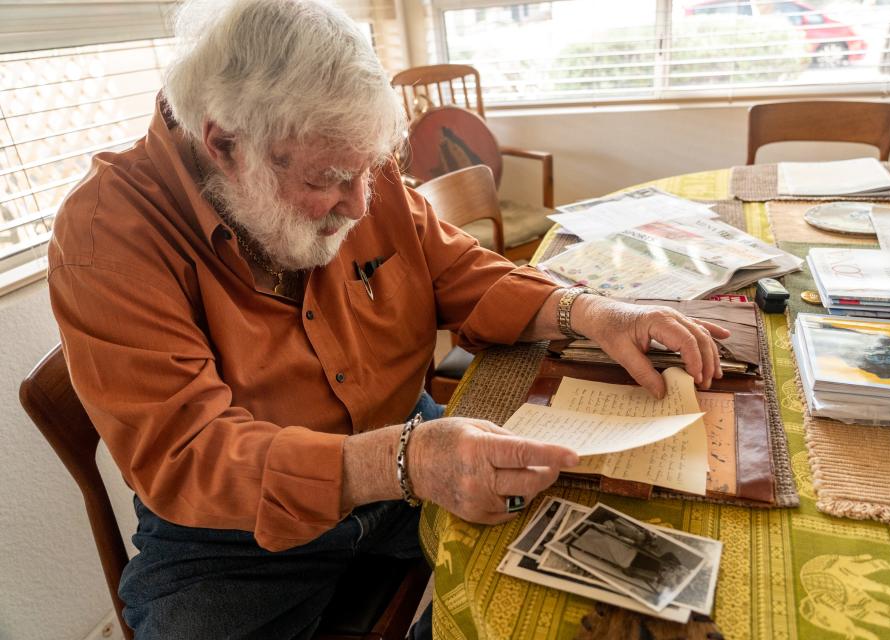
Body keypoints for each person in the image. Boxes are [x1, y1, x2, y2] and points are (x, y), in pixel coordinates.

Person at [47, 0, 729, 637]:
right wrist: (401, 463)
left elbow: (456, 269)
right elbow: (188, 456)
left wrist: (587, 311)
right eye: (327, 180)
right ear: (224, 145)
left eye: (372, 168)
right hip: (233, 536)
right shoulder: (107, 235)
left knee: (583, 587)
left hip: (410, 442)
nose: (359, 203)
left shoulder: (344, 165)